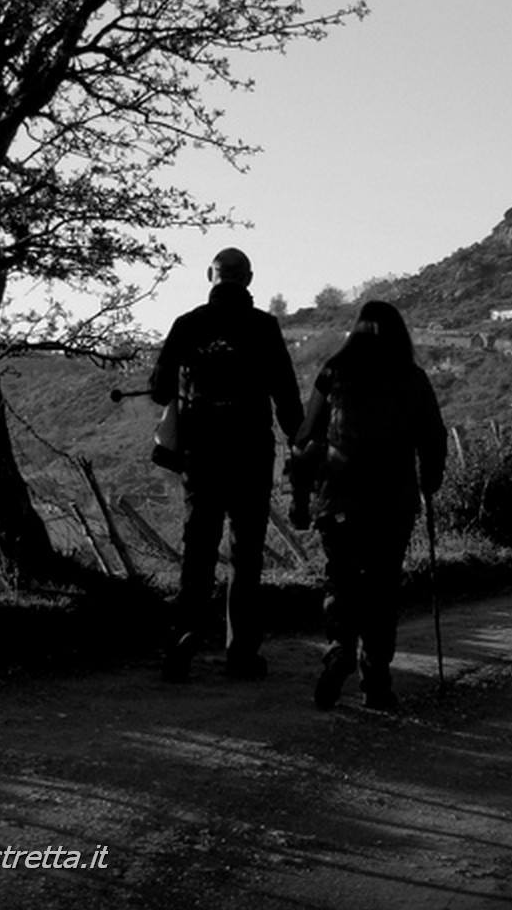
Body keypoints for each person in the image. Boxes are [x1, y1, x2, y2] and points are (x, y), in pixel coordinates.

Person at [150, 247, 303, 682]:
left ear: (210, 276)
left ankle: (183, 641)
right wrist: (301, 442)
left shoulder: (188, 324)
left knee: (198, 548)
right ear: (248, 279)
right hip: (251, 451)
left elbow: (159, 390)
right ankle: (242, 653)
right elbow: (286, 396)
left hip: (201, 453)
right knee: (246, 553)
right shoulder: (264, 327)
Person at [290, 300, 447, 712]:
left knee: (341, 579)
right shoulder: (411, 377)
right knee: (382, 587)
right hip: (393, 503)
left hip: (338, 499)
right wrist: (430, 481)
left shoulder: (334, 372)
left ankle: (339, 645)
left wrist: (302, 497)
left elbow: (306, 437)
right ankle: (376, 683)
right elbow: (434, 436)